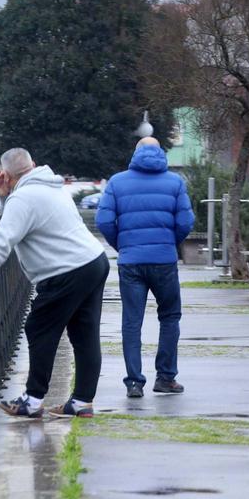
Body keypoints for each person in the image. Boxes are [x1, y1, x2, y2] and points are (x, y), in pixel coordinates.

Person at [0, 147, 109, 418]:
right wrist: (4, 197)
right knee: (84, 334)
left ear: (6, 175)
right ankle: (81, 401)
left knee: (39, 328)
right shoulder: (50, 187)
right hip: (93, 261)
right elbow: (17, 224)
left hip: (67, 270)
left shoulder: (24, 197)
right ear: (33, 164)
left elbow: (3, 238)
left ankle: (32, 400)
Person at [95, 137, 193, 398]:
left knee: (131, 321)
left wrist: (122, 245)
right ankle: (166, 378)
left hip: (131, 262)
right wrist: (169, 243)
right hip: (164, 261)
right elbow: (186, 222)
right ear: (161, 152)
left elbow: (103, 220)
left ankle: (134, 382)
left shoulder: (117, 182)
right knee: (170, 316)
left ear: (135, 152)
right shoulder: (175, 182)